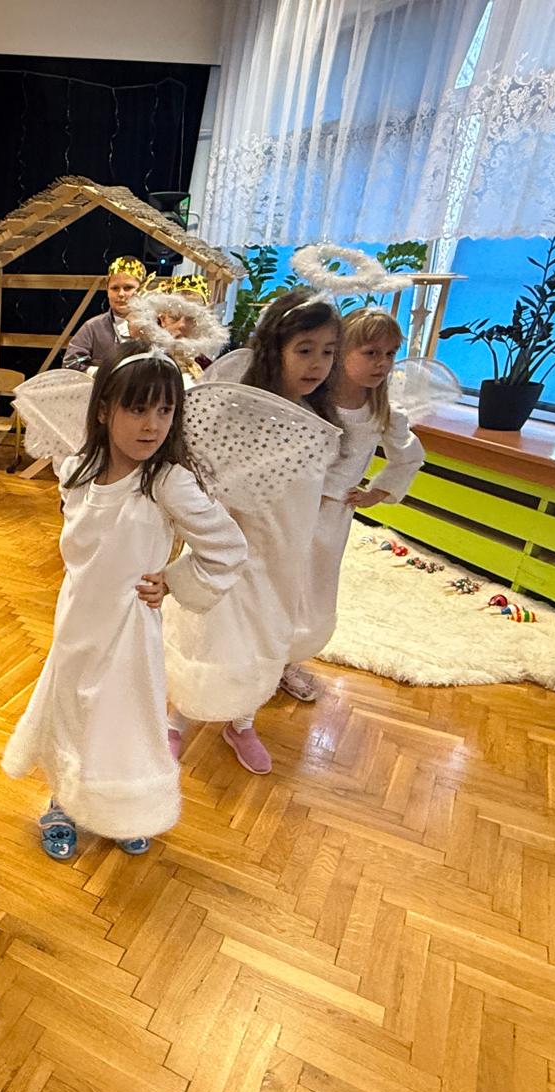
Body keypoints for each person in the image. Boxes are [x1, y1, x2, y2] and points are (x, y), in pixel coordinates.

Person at [3, 342, 245, 860]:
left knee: (125, 716)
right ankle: (65, 801)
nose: (152, 425)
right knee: (72, 709)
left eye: (165, 410)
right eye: (137, 409)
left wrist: (174, 580)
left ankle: (124, 806)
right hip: (77, 619)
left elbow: (227, 547)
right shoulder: (76, 471)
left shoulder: (168, 482)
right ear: (104, 409)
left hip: (131, 626)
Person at [163, 289, 341, 775]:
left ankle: (241, 720)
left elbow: (311, 492)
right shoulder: (240, 412)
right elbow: (212, 478)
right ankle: (177, 719)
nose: (317, 364)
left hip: (285, 554)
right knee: (211, 636)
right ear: (274, 351)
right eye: (304, 350)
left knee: (265, 638)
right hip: (233, 551)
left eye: (328, 352)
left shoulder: (320, 421)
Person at [283, 307, 424, 699]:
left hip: (331, 515)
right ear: (342, 351)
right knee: (280, 578)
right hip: (290, 507)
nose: (382, 363)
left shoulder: (383, 412)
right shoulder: (311, 398)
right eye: (371, 353)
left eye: (390, 354)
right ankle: (262, 651)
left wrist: (377, 491)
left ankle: (289, 659)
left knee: (315, 586)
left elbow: (409, 456)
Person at [62, 255, 145, 374]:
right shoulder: (93, 327)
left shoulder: (157, 327)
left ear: (142, 289)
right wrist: (102, 374)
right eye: (115, 288)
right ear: (107, 290)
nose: (121, 294)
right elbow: (70, 364)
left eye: (128, 288)